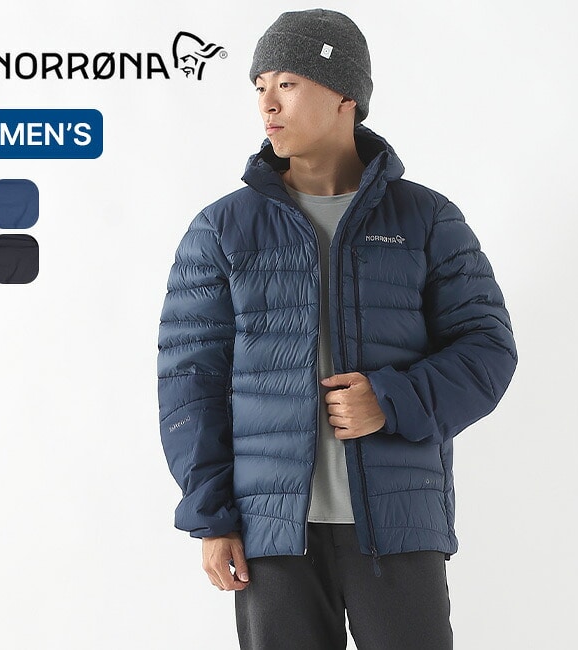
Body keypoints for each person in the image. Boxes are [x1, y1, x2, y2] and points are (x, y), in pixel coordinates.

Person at [157, 8, 517, 649]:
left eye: (287, 83)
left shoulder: (427, 220)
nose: (267, 103)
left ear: (346, 96)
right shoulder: (221, 230)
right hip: (272, 533)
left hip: (398, 524)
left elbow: (488, 350)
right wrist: (212, 517)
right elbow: (190, 383)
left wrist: (391, 399)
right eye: (259, 85)